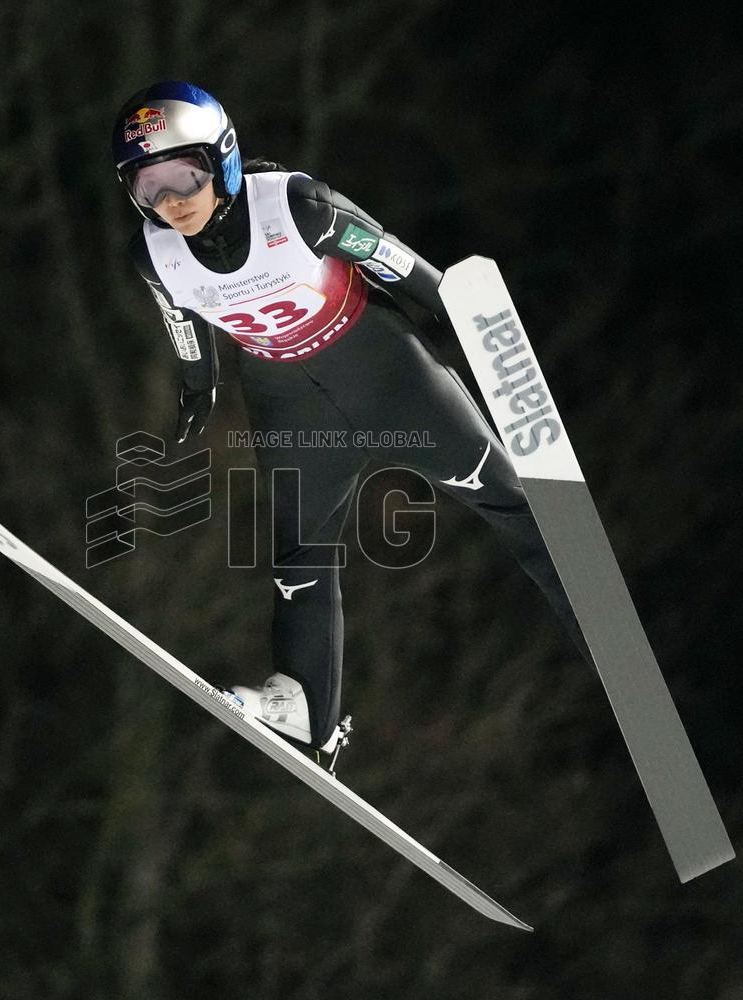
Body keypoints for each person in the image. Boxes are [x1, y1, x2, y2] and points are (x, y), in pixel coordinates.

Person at [112, 81, 592, 761]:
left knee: (508, 500)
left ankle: (600, 626)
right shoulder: (152, 253)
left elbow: (397, 265)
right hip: (287, 401)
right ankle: (307, 707)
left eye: (183, 175)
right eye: (148, 187)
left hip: (385, 374)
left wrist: (477, 322)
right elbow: (183, 326)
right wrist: (198, 392)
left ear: (220, 159)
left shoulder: (297, 205)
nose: (171, 201)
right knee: (299, 555)